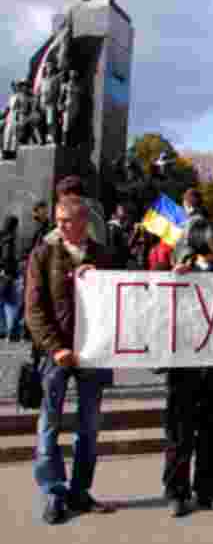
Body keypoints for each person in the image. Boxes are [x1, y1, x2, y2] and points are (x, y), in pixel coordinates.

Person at [25, 195, 119, 524]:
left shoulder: (103, 255)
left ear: (84, 222)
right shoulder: (43, 254)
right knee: (49, 425)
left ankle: (80, 491)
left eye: (66, 220)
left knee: (89, 427)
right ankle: (53, 491)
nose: (60, 226)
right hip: (57, 355)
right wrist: (54, 348)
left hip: (92, 354)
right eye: (58, 220)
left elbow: (119, 301)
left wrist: (100, 280)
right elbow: (34, 310)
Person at [164, 220, 213, 517]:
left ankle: (209, 490)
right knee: (179, 432)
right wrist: (174, 281)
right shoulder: (179, 272)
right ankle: (176, 491)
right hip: (184, 364)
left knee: (212, 430)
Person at [0, 216, 22, 341]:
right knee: (13, 304)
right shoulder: (10, 239)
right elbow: (7, 257)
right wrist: (8, 271)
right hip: (8, 275)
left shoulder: (2, 237)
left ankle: (6, 331)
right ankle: (12, 332)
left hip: (4, 274)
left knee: (6, 303)